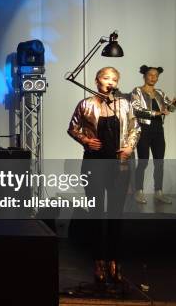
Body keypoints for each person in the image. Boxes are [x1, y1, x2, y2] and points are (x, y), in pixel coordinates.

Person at [68, 67, 140, 285]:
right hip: (93, 164)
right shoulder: (86, 104)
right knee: (96, 213)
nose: (111, 81)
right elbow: (73, 128)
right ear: (97, 80)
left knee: (116, 214)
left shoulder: (124, 104)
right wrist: (86, 141)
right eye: (107, 78)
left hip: (119, 166)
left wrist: (129, 148)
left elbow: (135, 128)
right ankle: (98, 261)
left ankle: (115, 261)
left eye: (115, 79)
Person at [131, 65, 176, 204]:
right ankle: (138, 191)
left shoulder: (160, 92)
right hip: (144, 130)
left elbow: (169, 108)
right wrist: (156, 113)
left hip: (158, 130)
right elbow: (136, 110)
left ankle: (159, 192)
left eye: (156, 75)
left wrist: (175, 104)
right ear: (144, 76)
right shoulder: (137, 91)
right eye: (151, 75)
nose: (153, 77)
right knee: (143, 161)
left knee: (159, 163)